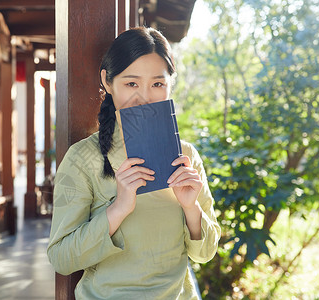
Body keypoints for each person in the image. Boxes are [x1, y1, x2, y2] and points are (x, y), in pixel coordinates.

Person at [47, 27, 221, 299]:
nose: (144, 97)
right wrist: (118, 208)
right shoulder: (83, 158)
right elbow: (61, 259)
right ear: (107, 82)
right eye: (131, 84)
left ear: (170, 85)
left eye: (157, 84)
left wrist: (191, 207)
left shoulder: (186, 155)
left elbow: (206, 254)